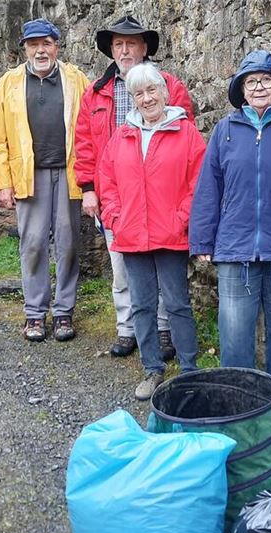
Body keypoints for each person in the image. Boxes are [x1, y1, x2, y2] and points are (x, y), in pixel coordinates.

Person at [190, 50, 271, 401]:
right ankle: (238, 401)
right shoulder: (224, 131)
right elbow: (209, 186)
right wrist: (202, 239)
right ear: (241, 89)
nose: (259, 87)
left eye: (266, 80)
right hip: (235, 248)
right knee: (235, 332)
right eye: (251, 81)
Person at [74, 15, 195, 360]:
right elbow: (84, 143)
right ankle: (128, 329)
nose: (124, 50)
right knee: (122, 270)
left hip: (161, 198)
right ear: (111, 50)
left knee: (165, 276)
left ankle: (163, 330)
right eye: (118, 44)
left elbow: (184, 139)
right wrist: (89, 188)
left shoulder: (170, 85)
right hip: (118, 197)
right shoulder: (96, 92)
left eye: (131, 43)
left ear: (144, 48)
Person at [96, 62, 207, 400]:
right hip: (132, 235)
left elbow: (199, 181)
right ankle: (153, 369)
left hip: (171, 235)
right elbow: (106, 180)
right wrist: (115, 217)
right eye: (139, 93)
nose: (146, 99)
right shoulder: (122, 136)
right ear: (133, 99)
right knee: (142, 306)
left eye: (151, 90)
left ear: (164, 92)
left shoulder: (185, 132)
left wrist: (181, 218)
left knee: (177, 304)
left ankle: (189, 370)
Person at [0, 18, 90, 342]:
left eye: (46, 43)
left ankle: (63, 312)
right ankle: (35, 313)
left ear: (56, 47)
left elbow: (88, 129)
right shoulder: (8, 83)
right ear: (25, 49)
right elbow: (0, 139)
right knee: (33, 243)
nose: (40, 50)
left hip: (69, 172)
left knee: (68, 242)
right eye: (33, 44)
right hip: (28, 175)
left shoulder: (76, 79)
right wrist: (4, 183)